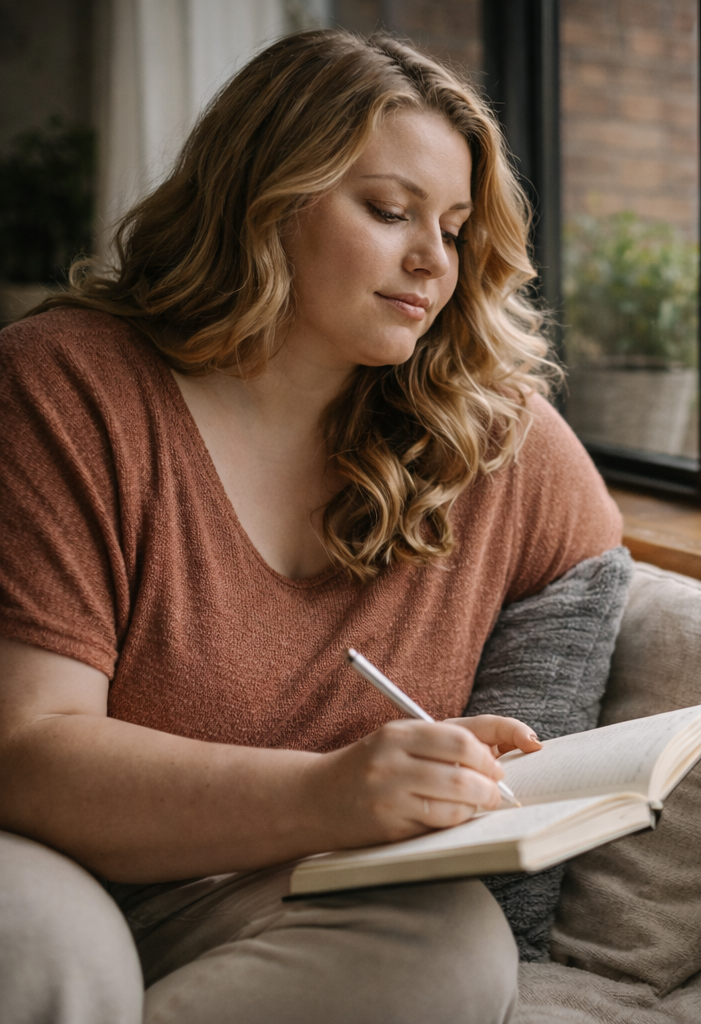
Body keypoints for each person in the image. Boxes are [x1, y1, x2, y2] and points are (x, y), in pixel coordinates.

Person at [0, 28, 621, 1024]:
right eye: (388, 210)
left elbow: (592, 573)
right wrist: (327, 792)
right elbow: (26, 751)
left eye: (456, 228)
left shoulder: (485, 435)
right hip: (48, 856)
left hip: (277, 893)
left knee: (456, 941)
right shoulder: (65, 384)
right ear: (264, 199)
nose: (433, 259)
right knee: (37, 941)